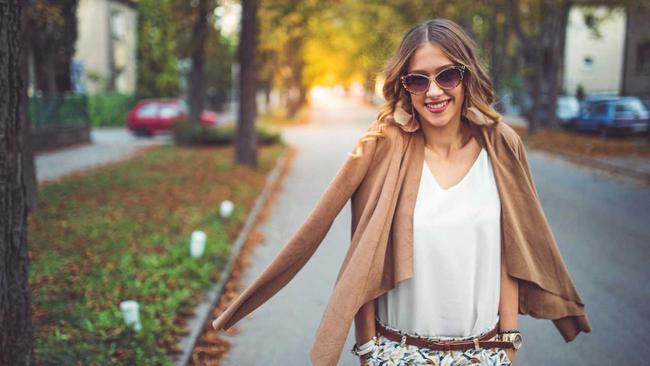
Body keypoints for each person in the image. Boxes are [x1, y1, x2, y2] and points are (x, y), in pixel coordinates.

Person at [212, 18, 591, 366]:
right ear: (404, 87)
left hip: (483, 353)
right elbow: (364, 255)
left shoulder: (501, 145)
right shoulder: (382, 149)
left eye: (447, 76)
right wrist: (369, 351)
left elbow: (512, 251)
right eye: (418, 80)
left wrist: (507, 346)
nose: (434, 91)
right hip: (398, 352)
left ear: (467, 75)